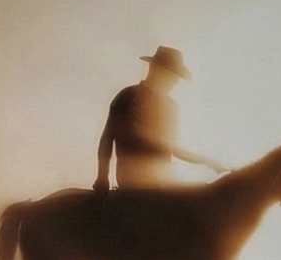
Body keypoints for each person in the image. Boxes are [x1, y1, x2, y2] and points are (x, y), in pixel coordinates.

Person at [93, 46, 223, 191]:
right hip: (133, 183)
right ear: (157, 71)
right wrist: (102, 178)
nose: (176, 82)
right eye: (173, 76)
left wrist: (207, 161)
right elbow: (107, 138)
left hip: (164, 181)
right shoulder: (127, 97)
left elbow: (175, 149)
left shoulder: (172, 108)